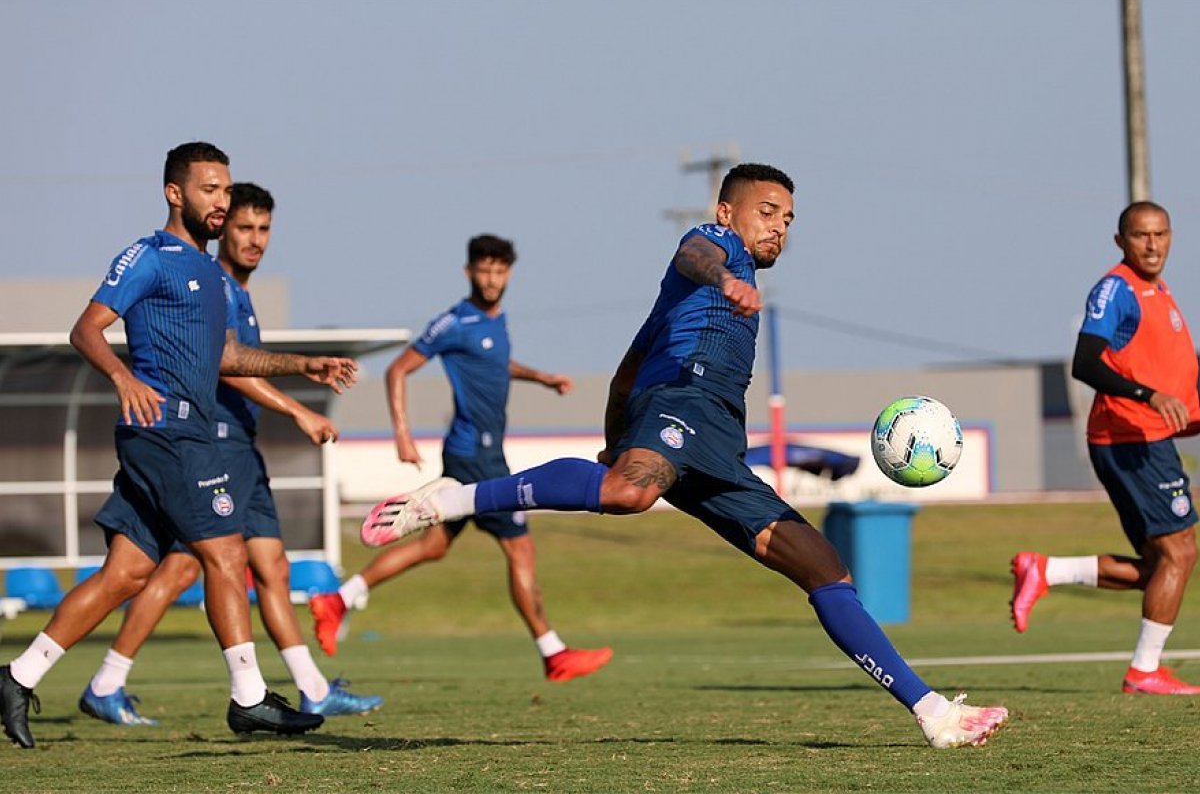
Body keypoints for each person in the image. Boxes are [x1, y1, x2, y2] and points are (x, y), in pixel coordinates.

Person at [359, 164, 1008, 748]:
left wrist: (616, 433)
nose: (779, 227)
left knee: (827, 572)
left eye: (788, 219)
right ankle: (446, 499)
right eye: (766, 211)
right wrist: (724, 275)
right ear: (726, 210)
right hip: (684, 402)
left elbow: (625, 371)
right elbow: (696, 253)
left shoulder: (694, 300)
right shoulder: (712, 249)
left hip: (720, 445)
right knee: (628, 492)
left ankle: (932, 712)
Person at [1, 143, 358, 750]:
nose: (220, 202)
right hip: (166, 432)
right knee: (227, 554)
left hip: (183, 432)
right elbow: (85, 329)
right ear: (175, 193)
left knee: (127, 573)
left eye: (225, 191)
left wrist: (304, 365)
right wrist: (122, 377)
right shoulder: (151, 256)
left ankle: (16, 678)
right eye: (209, 190)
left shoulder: (211, 275)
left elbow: (225, 357)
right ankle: (249, 698)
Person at [76, 182, 382, 728]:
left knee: (266, 566)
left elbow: (237, 358)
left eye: (264, 229)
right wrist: (298, 409)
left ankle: (306, 687)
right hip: (206, 442)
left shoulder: (234, 293)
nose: (254, 239)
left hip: (239, 445)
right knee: (183, 567)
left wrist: (302, 371)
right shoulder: (206, 283)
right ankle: (116, 679)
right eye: (243, 226)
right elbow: (226, 366)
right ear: (217, 226)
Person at [310, 234, 613, 682]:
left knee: (432, 545)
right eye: (484, 270)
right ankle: (554, 652)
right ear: (468, 272)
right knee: (520, 548)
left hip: (478, 453)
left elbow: (497, 363)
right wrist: (402, 434)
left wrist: (542, 377)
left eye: (499, 271)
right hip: (478, 457)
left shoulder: (496, 321)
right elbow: (399, 369)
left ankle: (339, 598)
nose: (491, 279)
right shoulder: (453, 322)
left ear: (508, 273)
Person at [1011, 201, 1200, 695]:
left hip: (1149, 436)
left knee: (1162, 566)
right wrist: (1149, 396)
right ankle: (1143, 671)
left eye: (1160, 234)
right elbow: (1086, 363)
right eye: (1141, 235)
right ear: (1121, 241)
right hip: (1130, 436)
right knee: (1180, 552)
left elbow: (1166, 369)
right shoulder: (1117, 289)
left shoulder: (1158, 292)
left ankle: (1046, 569)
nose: (1153, 244)